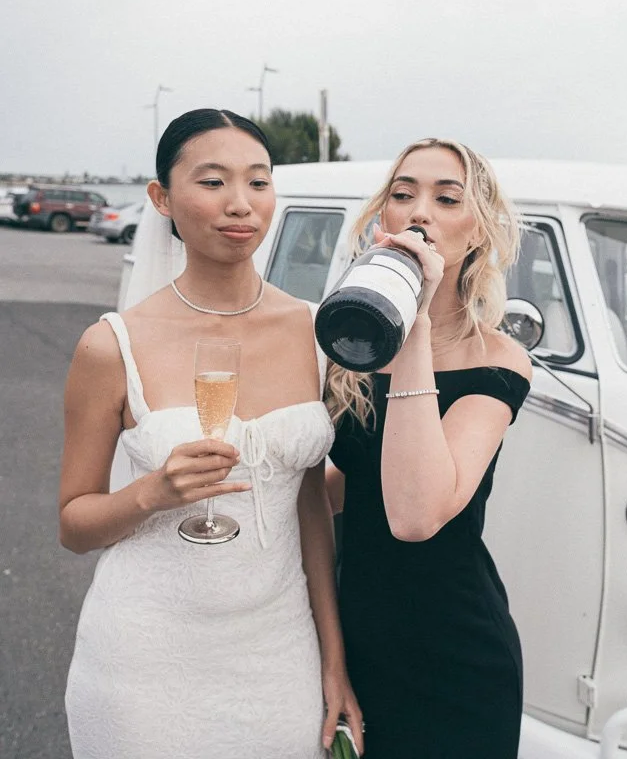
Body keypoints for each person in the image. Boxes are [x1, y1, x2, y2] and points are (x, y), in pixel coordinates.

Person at [61, 108, 362, 759]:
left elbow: (309, 509)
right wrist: (151, 493)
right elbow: (74, 525)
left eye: (258, 182)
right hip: (145, 658)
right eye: (212, 182)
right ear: (161, 198)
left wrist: (333, 662)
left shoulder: (315, 333)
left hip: (277, 651)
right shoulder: (111, 345)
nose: (240, 204)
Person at [325, 138, 532, 759]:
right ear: (382, 219)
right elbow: (343, 493)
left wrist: (413, 321)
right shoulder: (347, 353)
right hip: (353, 637)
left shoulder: (496, 360)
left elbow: (415, 515)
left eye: (447, 198)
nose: (420, 212)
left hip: (453, 657)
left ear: (479, 230)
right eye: (403, 194)